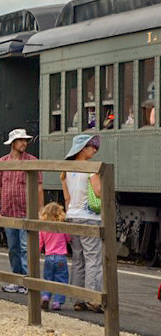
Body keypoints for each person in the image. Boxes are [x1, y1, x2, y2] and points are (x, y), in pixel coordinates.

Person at [0, 128, 43, 294]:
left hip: (26, 211)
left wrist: (40, 210)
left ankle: (28, 280)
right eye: (20, 140)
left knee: (27, 247)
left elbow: (39, 187)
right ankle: (17, 278)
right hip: (8, 211)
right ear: (13, 143)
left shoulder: (32, 161)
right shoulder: (2, 162)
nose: (24, 143)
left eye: (25, 140)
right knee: (13, 248)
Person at [62, 133, 103, 313]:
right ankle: (93, 299)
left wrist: (69, 214)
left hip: (72, 215)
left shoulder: (66, 171)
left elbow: (66, 197)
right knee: (93, 258)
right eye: (91, 146)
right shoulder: (91, 168)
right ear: (82, 148)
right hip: (89, 218)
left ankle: (78, 299)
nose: (94, 149)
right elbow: (99, 192)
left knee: (78, 259)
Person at [39, 202, 70, 311]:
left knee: (48, 278)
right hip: (61, 257)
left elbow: (40, 243)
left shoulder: (43, 228)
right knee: (61, 280)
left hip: (48, 257)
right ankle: (57, 302)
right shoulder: (61, 226)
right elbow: (68, 239)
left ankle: (46, 296)